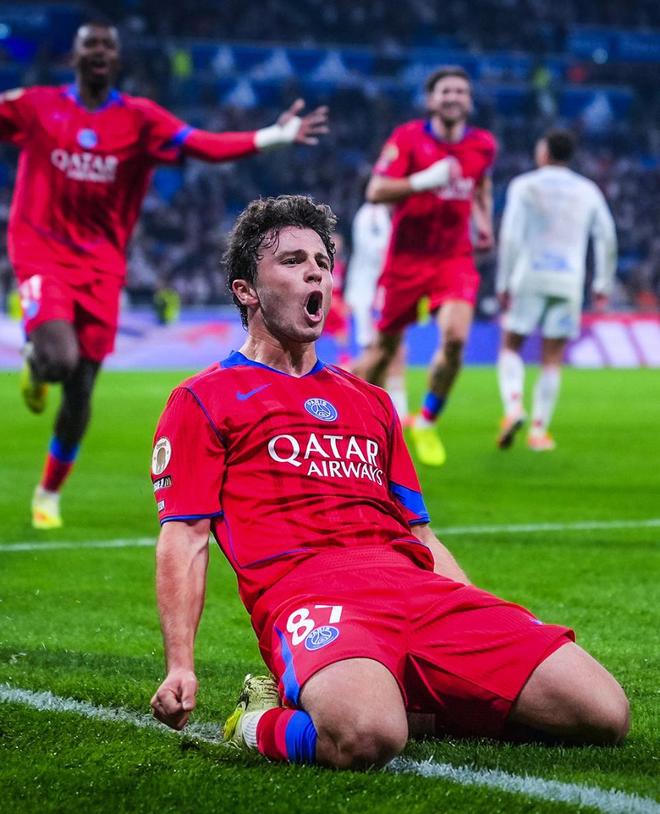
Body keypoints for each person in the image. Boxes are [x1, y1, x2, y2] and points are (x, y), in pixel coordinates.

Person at [150, 194, 628, 770]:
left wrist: (471, 604)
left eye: (322, 262)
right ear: (246, 290)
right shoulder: (204, 399)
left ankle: (404, 701)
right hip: (312, 596)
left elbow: (420, 534)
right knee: (367, 737)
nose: (315, 273)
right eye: (293, 261)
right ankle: (254, 722)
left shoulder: (370, 401)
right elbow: (186, 536)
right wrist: (181, 664)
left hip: (415, 589)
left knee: (603, 714)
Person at [1, 21, 328, 529]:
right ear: (75, 56)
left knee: (82, 388)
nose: (99, 52)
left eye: (108, 45)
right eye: (90, 45)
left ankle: (48, 491)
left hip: (102, 266)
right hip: (41, 250)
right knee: (60, 358)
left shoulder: (139, 119)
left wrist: (272, 136)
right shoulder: (37, 106)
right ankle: (40, 361)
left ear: (117, 58)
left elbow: (204, 145)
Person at [352, 66, 496, 466]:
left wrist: (484, 222)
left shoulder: (483, 145)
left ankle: (427, 419)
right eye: (446, 91)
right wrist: (423, 181)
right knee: (383, 352)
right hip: (406, 260)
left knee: (455, 338)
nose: (453, 97)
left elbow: (481, 184)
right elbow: (376, 190)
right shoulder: (407, 138)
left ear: (469, 101)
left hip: (454, 259)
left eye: (461, 91)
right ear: (432, 100)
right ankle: (344, 416)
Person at [496, 129, 617, 451]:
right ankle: (539, 432)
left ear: (545, 153)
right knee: (551, 358)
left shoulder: (525, 185)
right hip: (568, 281)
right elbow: (607, 236)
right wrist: (602, 282)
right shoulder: (587, 190)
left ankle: (513, 407)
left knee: (511, 345)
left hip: (530, 276)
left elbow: (510, 235)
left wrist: (503, 282)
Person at [344, 201, 409, 421]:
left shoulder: (380, 213)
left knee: (394, 349)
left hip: (379, 291)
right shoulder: (373, 214)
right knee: (380, 351)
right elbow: (376, 251)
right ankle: (335, 377)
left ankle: (395, 410)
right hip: (371, 292)